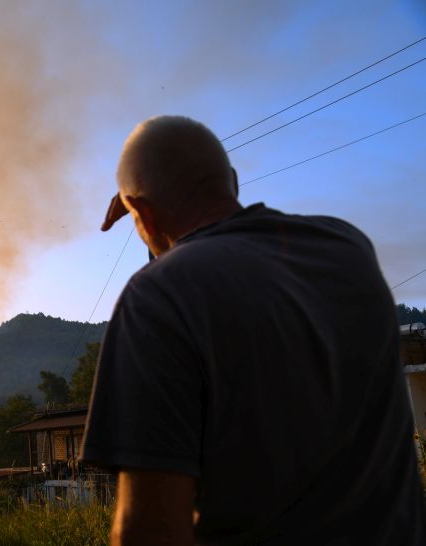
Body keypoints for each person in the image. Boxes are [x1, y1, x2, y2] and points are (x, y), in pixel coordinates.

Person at [80, 115, 424, 545]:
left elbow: (150, 531)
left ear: (144, 217)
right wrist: (153, 220)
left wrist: (149, 221)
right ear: (234, 184)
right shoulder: (348, 247)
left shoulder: (157, 298)